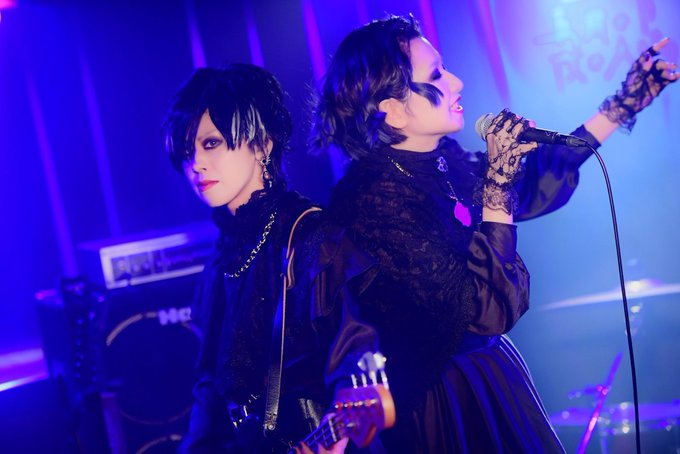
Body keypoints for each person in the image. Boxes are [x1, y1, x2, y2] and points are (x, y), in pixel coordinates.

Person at [310, 15, 677, 453]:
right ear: (393, 108)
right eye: (436, 75)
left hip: (489, 376)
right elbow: (486, 311)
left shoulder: (444, 160)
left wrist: (623, 104)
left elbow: (536, 183)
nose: (457, 82)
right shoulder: (372, 200)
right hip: (443, 403)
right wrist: (497, 185)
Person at [163, 64, 370, 453]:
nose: (196, 164)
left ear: (262, 145)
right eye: (188, 151)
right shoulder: (220, 261)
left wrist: (339, 431)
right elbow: (209, 389)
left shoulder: (310, 235)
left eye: (211, 143)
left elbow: (358, 352)